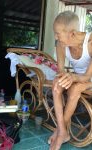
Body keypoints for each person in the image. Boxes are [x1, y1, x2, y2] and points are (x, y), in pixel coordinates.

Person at [49, 11, 92, 150]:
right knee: (57, 83)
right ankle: (62, 131)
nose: (56, 37)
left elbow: (86, 76)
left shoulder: (90, 43)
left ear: (72, 33)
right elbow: (60, 71)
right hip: (79, 78)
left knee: (75, 88)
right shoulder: (60, 44)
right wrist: (65, 77)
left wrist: (72, 77)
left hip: (88, 79)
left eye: (58, 33)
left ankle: (58, 132)